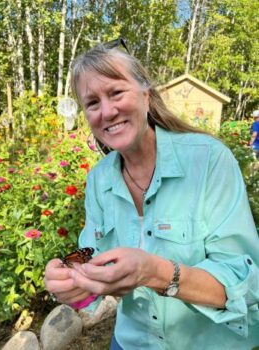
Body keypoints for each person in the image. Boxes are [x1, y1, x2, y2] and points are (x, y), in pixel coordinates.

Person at [44, 40, 259, 350]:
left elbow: (246, 282)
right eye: (92, 103)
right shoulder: (98, 180)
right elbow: (94, 265)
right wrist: (70, 284)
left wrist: (154, 272)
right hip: (131, 342)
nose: (107, 111)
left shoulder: (209, 160)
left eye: (116, 92)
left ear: (146, 92)